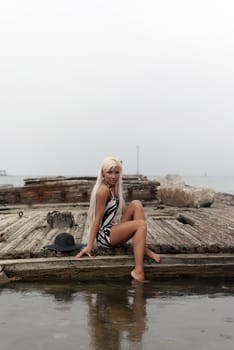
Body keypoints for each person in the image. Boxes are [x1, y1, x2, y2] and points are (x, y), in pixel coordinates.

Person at [75, 156, 160, 282]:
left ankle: (142, 246)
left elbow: (124, 210)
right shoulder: (103, 190)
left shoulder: (113, 187)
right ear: (103, 173)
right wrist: (89, 245)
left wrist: (138, 234)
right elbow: (97, 218)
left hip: (112, 228)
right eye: (109, 172)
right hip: (105, 236)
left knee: (136, 203)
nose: (113, 176)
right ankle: (138, 272)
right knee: (141, 225)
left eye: (116, 172)